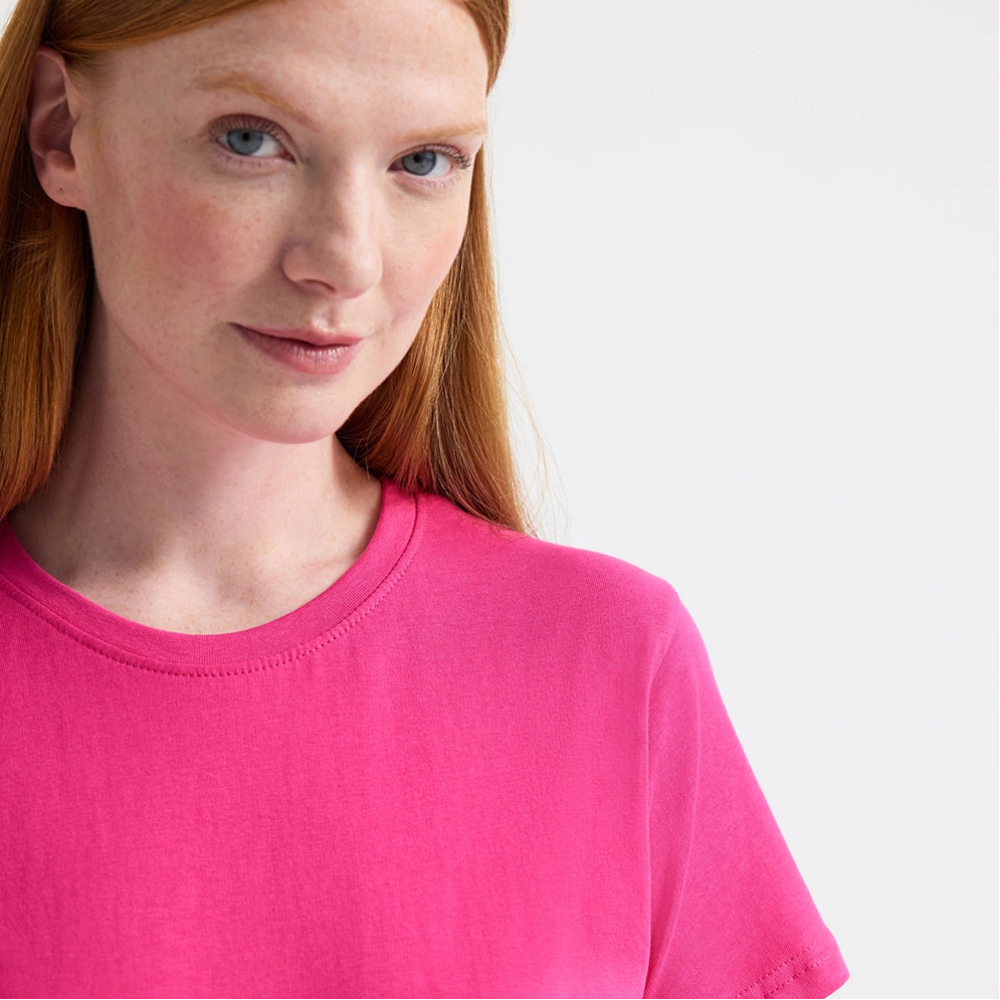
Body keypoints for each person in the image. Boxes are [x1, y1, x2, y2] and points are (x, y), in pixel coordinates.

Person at [0, 0, 849, 996]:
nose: (346, 259)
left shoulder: (610, 660)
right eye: (251, 140)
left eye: (423, 162)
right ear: (62, 131)